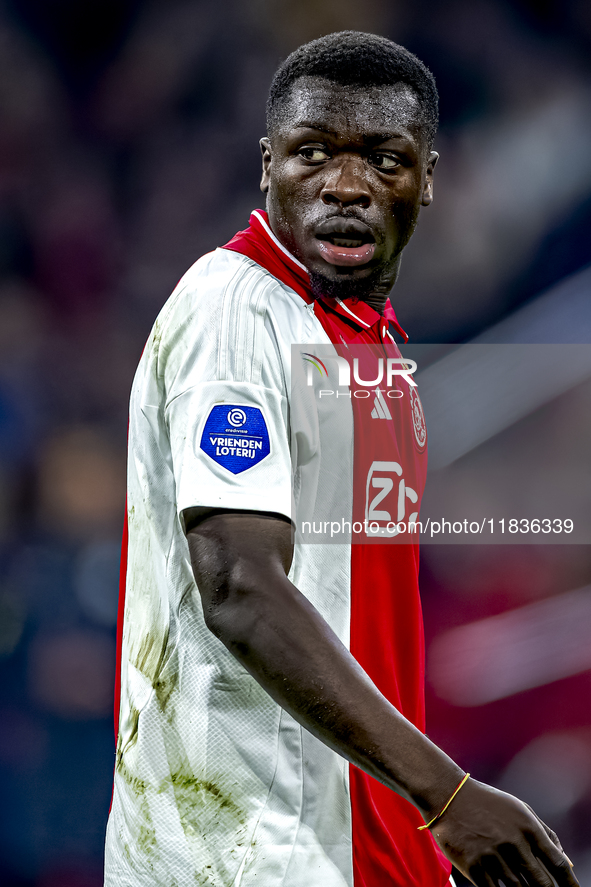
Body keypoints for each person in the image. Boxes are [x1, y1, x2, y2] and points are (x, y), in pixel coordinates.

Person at [104, 31, 579, 887]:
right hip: (241, 849)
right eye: (312, 153)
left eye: (384, 159)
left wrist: (411, 822)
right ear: (267, 165)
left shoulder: (372, 346)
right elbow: (240, 588)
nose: (346, 185)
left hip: (347, 838)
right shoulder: (236, 311)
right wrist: (446, 795)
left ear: (427, 178)